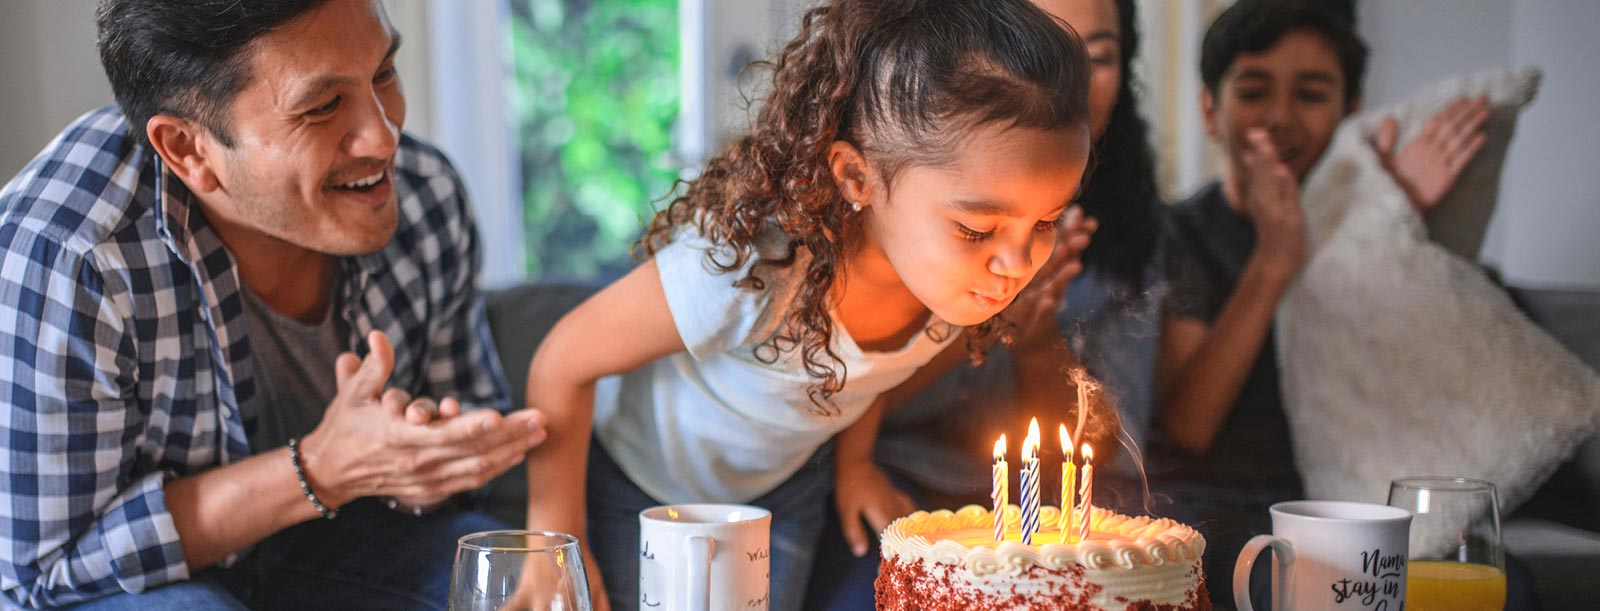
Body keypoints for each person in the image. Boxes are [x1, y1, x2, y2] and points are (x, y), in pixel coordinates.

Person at [521, 1, 1096, 609]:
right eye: (978, 229)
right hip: (637, 482)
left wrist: (854, 467)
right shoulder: (748, 270)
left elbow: (861, 377)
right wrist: (553, 543)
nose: (1016, 264)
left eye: (1047, 221)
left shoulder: (952, 285)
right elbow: (562, 360)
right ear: (855, 178)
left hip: (784, 492)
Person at [0, 1, 547, 608]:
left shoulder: (424, 194)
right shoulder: (70, 253)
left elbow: (468, 447)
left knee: (502, 576)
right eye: (323, 106)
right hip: (142, 587)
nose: (384, 136)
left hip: (342, 544)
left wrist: (425, 459)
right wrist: (319, 469)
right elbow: (39, 573)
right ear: (188, 150)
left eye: (383, 74)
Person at [803, 0, 1166, 606]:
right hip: (882, 488)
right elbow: (836, 396)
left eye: (1091, 56)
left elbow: (1100, 452)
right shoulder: (905, 207)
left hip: (1037, 520)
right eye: (977, 230)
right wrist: (976, 330)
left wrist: (1034, 337)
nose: (1054, 77)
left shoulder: (1130, 239)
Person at [1151, 0, 1491, 605]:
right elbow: (1188, 425)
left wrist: (1390, 221)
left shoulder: (1375, 220)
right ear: (1210, 109)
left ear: (1350, 109)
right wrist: (1274, 259)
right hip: (1219, 507)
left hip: (1344, 498)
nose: (1280, 118)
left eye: (1311, 95)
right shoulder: (1183, 234)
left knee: (1502, 579)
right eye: (1254, 91)